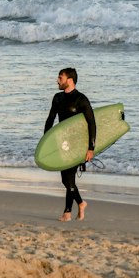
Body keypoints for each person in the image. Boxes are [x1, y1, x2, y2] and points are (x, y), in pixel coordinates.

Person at [44, 67, 96, 222]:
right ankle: (81, 203)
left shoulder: (81, 99)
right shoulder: (57, 98)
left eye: (60, 77)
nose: (57, 80)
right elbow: (50, 119)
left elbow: (91, 124)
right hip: (62, 143)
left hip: (77, 144)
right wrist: (46, 141)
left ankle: (67, 212)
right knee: (65, 179)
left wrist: (90, 148)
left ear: (70, 80)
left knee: (69, 178)